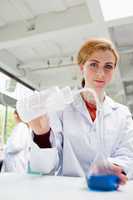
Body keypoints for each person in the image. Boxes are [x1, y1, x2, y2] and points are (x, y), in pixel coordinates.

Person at [17, 38, 133, 185]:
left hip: (107, 188)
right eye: (93, 64)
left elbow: (128, 154)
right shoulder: (61, 109)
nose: (101, 73)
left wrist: (113, 168)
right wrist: (42, 135)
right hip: (68, 191)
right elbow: (45, 168)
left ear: (114, 70)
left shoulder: (122, 114)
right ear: (81, 67)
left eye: (108, 66)